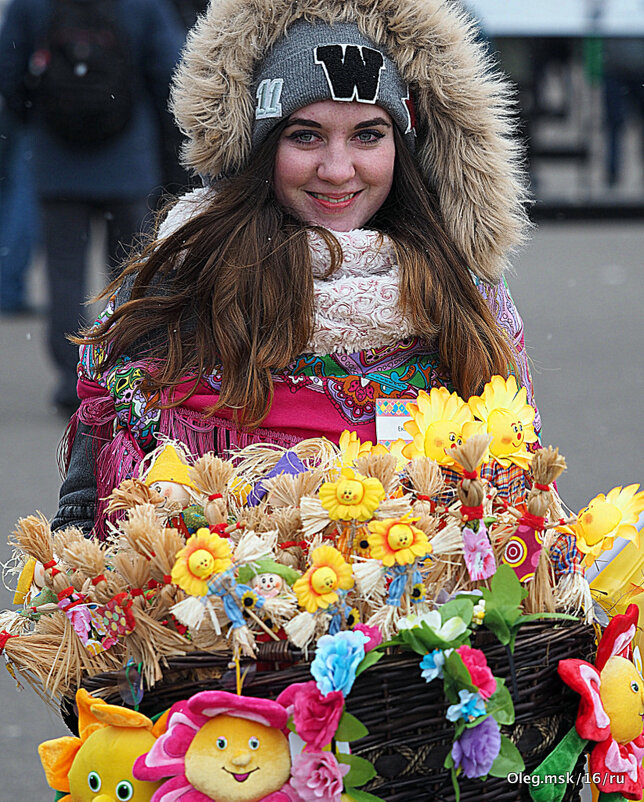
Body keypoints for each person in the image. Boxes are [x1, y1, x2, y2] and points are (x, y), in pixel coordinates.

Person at [52, 0, 537, 538]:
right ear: (262, 147)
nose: (337, 169)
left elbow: (522, 488)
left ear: (403, 145)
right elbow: (91, 498)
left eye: (368, 135)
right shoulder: (183, 277)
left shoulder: (464, 292)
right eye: (305, 135)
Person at [0, 0, 185, 413]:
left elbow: (8, 69)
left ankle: (72, 380)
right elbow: (172, 70)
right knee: (131, 276)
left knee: (64, 276)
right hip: (129, 161)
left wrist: (37, 115)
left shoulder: (31, 4)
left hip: (56, 161)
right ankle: (126, 371)